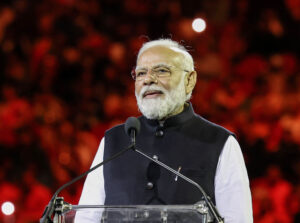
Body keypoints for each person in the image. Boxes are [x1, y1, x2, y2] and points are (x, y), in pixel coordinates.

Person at [77, 39, 253, 222]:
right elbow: (86, 217)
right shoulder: (113, 141)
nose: (148, 80)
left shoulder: (220, 143)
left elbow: (238, 218)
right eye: (141, 73)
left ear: (190, 80)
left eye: (161, 71)